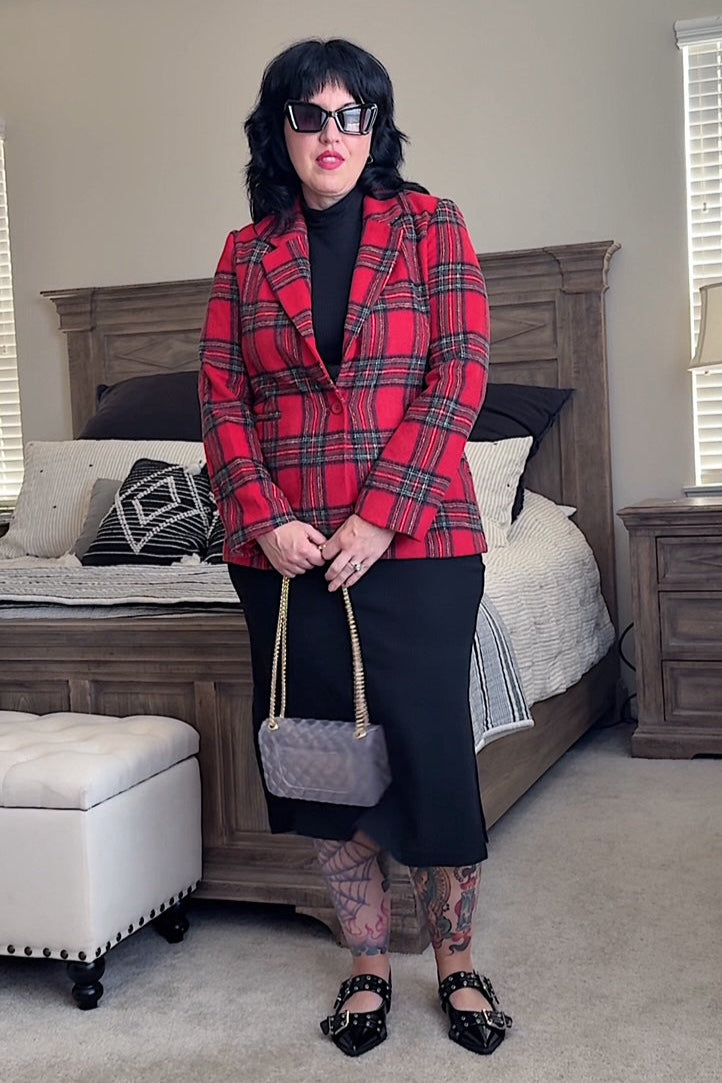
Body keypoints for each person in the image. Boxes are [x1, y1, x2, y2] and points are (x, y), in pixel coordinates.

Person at [199, 36, 512, 1058]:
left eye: (350, 114)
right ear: (278, 130)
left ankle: (456, 963)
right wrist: (262, 516)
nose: (329, 133)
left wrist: (380, 513)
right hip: (285, 557)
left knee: (432, 759)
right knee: (323, 768)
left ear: (374, 127)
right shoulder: (246, 255)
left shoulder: (431, 225)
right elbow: (221, 399)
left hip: (417, 545)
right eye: (309, 114)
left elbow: (459, 372)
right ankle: (367, 964)